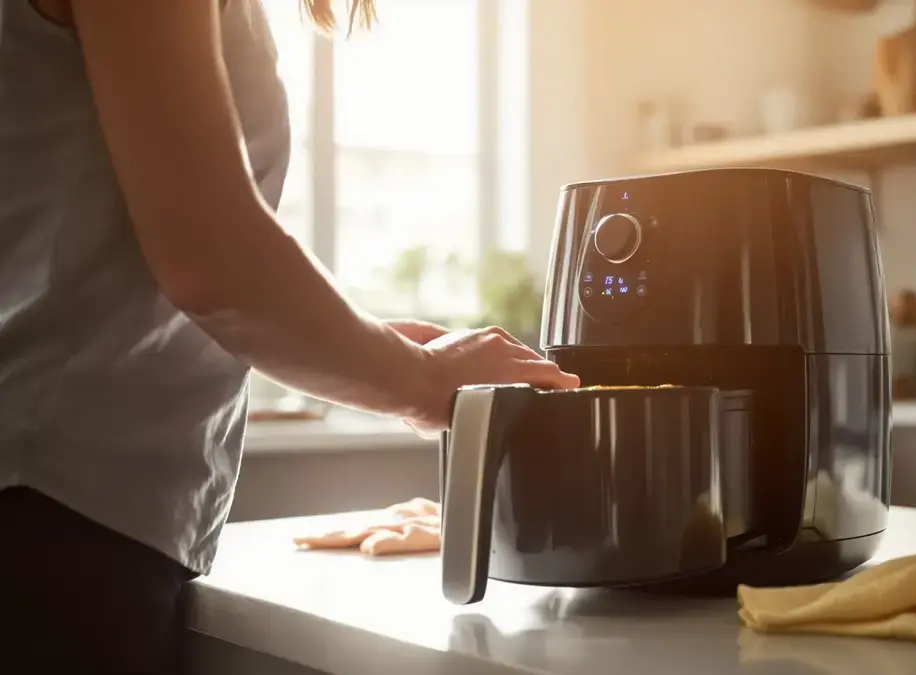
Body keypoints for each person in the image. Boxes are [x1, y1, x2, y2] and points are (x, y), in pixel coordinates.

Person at [0, 0, 579, 672]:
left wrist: (355, 343)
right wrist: (416, 380)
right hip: (46, 528)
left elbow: (118, 259)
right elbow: (210, 256)